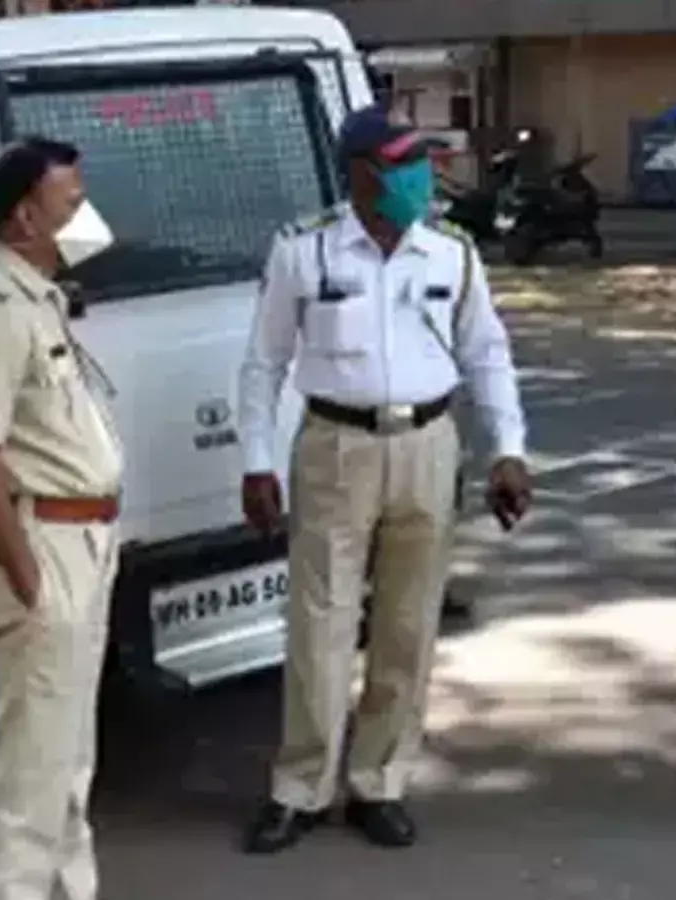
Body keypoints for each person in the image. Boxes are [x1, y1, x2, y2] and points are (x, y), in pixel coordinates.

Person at [237, 105, 531, 855]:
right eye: (401, 165)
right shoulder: (303, 250)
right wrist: (256, 461)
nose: (418, 178)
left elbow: (487, 353)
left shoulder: (451, 253)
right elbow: (264, 363)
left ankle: (380, 782)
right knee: (321, 625)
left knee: (408, 624)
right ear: (361, 174)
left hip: (428, 445)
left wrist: (508, 450)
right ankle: (300, 788)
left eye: (419, 162)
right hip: (335, 446)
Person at [0, 136, 123, 900]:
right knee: (27, 782)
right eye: (70, 203)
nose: (86, 215)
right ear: (23, 217)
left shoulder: (36, 296)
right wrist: (30, 579)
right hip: (43, 546)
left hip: (80, 540)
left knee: (67, 764)